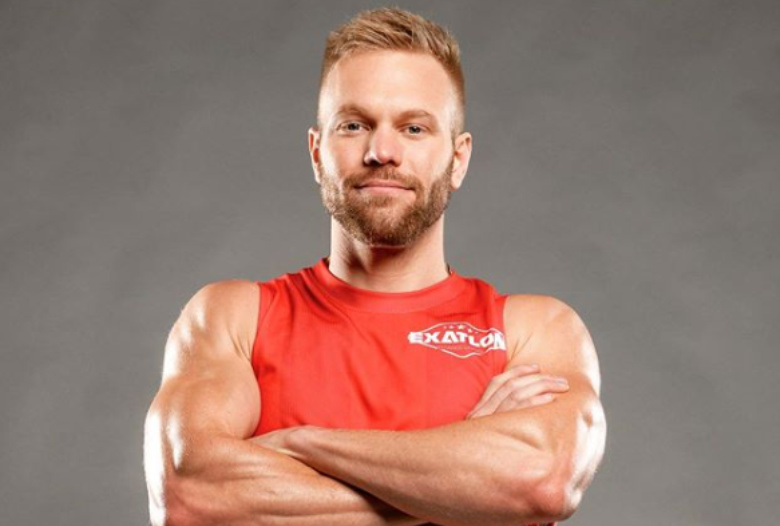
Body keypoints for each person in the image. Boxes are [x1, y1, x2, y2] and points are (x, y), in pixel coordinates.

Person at [144, 7, 606, 526]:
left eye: (414, 128)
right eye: (354, 125)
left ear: (458, 159)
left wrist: (302, 443)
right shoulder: (235, 319)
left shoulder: (532, 330)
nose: (382, 151)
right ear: (317, 153)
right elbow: (190, 496)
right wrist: (459, 485)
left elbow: (540, 482)